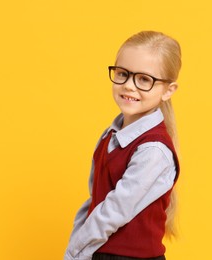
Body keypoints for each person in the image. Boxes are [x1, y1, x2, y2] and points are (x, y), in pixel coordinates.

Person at [64, 31, 182, 260]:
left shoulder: (153, 150)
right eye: (123, 74)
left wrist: (74, 253)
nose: (129, 86)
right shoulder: (110, 136)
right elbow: (95, 201)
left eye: (144, 79)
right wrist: (75, 246)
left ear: (168, 90)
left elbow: (114, 211)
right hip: (99, 252)